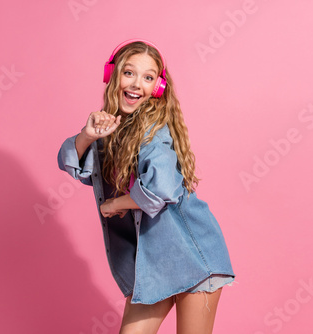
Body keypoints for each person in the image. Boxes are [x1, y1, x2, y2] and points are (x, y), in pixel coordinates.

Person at [57, 39, 236, 334]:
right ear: (112, 76)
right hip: (155, 266)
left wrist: (114, 204)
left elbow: (163, 188)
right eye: (129, 73)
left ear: (158, 88)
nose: (137, 83)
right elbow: (71, 164)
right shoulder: (112, 129)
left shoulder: (154, 132)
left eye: (148, 77)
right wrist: (88, 135)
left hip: (194, 257)